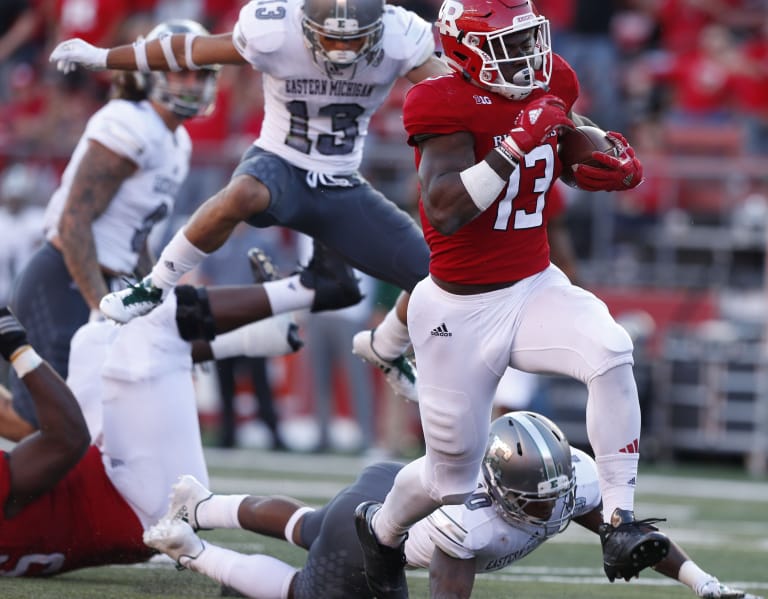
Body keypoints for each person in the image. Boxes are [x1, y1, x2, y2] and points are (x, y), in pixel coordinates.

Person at [350, 1, 655, 597]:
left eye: (528, 39)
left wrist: (601, 157)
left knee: (612, 351)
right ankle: (380, 529)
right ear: (464, 50)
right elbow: (444, 208)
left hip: (534, 284)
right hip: (458, 309)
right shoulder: (437, 99)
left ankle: (620, 520)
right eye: (507, 44)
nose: (526, 57)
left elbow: (565, 147)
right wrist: (515, 144)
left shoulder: (554, 77)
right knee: (451, 482)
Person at [49, 0, 455, 405]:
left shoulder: (400, 35)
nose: (340, 51)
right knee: (244, 192)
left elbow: (456, 94)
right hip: (280, 164)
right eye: (330, 36)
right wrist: (105, 57)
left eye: (352, 40)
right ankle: (155, 285)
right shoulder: (277, 28)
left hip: (341, 182)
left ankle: (387, 345)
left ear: (378, 29)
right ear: (306, 24)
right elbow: (187, 49)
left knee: (438, 275)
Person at [141, 412, 757, 599]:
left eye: (558, 492)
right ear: (502, 490)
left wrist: (705, 585)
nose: (558, 509)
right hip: (379, 534)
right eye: (537, 502)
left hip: (386, 483)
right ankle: (193, 549)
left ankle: (199, 504)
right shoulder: (471, 522)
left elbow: (636, 540)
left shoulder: (573, 479)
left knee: (310, 524)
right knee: (310, 591)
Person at [0, 249, 349, 577]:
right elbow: (68, 437)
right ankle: (311, 288)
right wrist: (17, 349)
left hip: (108, 496)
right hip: (142, 501)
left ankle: (261, 335)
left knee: (92, 342)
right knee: (153, 326)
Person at [5, 19, 221, 439]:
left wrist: (152, 301)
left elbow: (135, 237)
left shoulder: (176, 141)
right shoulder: (130, 122)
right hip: (64, 279)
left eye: (201, 73)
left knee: (96, 426)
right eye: (180, 70)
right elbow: (74, 222)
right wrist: (105, 310)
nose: (192, 83)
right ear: (150, 72)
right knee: (52, 429)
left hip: (102, 281)